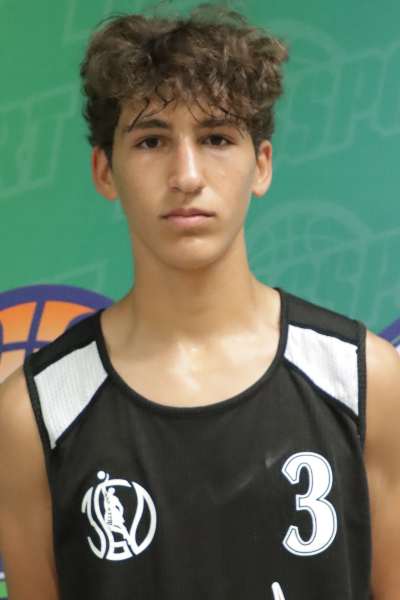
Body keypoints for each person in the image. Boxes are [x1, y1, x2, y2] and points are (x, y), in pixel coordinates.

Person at [0, 4, 399, 599]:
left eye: (216, 138)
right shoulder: (34, 415)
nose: (187, 175)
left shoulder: (365, 380)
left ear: (260, 165)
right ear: (105, 171)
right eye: (151, 140)